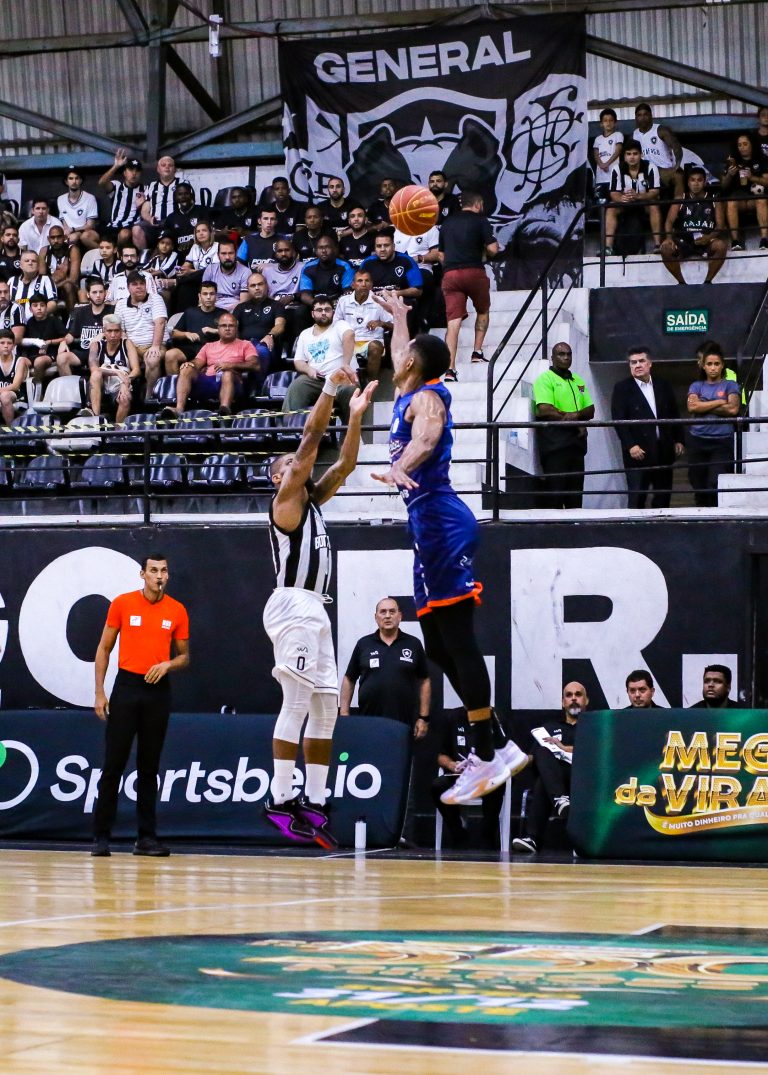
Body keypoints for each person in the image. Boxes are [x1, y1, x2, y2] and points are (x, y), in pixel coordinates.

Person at [370, 291, 528, 804]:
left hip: (441, 522)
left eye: (405, 353)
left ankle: (487, 750)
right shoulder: (410, 384)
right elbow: (403, 355)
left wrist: (400, 466)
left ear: (413, 365)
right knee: (437, 646)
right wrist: (400, 317)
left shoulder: (429, 399)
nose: (399, 357)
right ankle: (496, 741)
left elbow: (428, 436)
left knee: (457, 640)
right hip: (427, 527)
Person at [263, 368, 377, 847]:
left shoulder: (312, 501)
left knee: (326, 706)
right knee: (295, 701)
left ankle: (314, 800)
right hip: (293, 604)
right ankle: (279, 799)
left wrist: (355, 416)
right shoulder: (286, 500)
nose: (299, 465)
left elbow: (345, 464)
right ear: (279, 476)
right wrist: (330, 389)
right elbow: (310, 440)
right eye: (290, 464)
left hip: (315, 607)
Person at [91, 553, 189, 857]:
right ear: (143, 574)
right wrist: (99, 692)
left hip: (157, 691)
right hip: (127, 687)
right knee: (114, 763)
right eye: (153, 570)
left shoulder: (177, 610)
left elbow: (184, 656)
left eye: (164, 571)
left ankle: (146, 838)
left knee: (149, 766)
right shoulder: (123, 603)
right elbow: (104, 648)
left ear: (168, 575)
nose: (159, 576)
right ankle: (101, 837)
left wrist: (168, 664)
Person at [512, 680, 587, 855]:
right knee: (542, 755)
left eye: (578, 695)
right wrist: (517, 759)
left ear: (586, 700)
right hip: (556, 776)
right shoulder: (549, 728)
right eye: (569, 695)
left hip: (583, 776)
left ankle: (534, 837)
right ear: (563, 702)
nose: (573, 699)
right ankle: (559, 799)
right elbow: (535, 758)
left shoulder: (594, 726)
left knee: (544, 782)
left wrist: (565, 748)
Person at [340, 597, 430, 738]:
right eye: (383, 612)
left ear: (400, 616)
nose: (387, 616)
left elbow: (425, 680)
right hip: (368, 722)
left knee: (400, 753)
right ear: (376, 617)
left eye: (392, 611)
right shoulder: (364, 644)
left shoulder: (413, 644)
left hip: (403, 722)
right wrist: (344, 714)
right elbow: (349, 679)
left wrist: (423, 718)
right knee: (369, 752)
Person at [610, 347, 685, 509]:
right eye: (633, 362)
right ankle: (635, 526)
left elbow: (674, 413)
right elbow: (618, 420)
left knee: (663, 496)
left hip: (663, 449)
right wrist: (630, 445)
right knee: (637, 496)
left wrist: (679, 439)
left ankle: (661, 524)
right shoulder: (622, 388)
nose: (637, 365)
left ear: (650, 363)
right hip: (638, 452)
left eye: (641, 361)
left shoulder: (663, 385)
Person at [438, 191, 499, 381]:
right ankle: (477, 352)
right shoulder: (481, 221)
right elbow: (493, 249)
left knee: (453, 321)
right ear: (478, 204)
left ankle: (450, 369)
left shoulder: (447, 223)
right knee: (483, 310)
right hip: (474, 272)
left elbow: (441, 255)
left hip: (451, 275)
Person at [432, 710, 507, 849]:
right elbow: (441, 756)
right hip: (460, 776)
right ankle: (458, 834)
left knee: (498, 785)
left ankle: (488, 837)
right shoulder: (452, 718)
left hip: (488, 775)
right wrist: (451, 764)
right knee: (437, 786)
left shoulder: (496, 717)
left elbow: (507, 753)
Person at [533, 342, 595, 508]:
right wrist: (576, 421)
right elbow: (545, 410)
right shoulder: (545, 379)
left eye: (568, 354)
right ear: (552, 357)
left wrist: (577, 415)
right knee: (555, 497)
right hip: (555, 447)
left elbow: (590, 410)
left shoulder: (578, 380)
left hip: (577, 446)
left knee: (575, 499)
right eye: (561, 354)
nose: (566, 357)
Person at [163, 310, 259, 416]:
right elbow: (197, 362)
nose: (227, 328)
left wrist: (229, 365)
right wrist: (190, 364)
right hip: (209, 381)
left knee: (227, 373)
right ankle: (179, 409)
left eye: (231, 325)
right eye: (224, 325)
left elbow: (255, 365)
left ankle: (224, 410)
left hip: (232, 382)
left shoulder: (246, 344)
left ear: (236, 328)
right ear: (218, 328)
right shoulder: (209, 346)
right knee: (186, 369)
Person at [283, 297, 357, 423]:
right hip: (317, 380)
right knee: (296, 386)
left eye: (327, 310)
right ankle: (289, 428)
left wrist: (345, 364)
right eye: (319, 310)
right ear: (312, 313)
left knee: (350, 391)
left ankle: (350, 430)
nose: (323, 313)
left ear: (333, 312)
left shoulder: (340, 325)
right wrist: (309, 370)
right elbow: (299, 361)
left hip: (341, 379)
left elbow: (349, 335)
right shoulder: (305, 334)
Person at [686, 345, 740, 507]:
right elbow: (692, 407)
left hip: (722, 441)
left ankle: (717, 515)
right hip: (698, 440)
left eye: (716, 364)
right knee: (698, 483)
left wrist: (704, 404)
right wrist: (720, 401)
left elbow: (733, 409)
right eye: (709, 364)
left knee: (714, 483)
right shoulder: (696, 385)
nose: (713, 367)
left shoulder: (731, 385)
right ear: (703, 366)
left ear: (722, 365)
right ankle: (702, 516)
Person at [660, 167, 728, 284]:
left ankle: (707, 281)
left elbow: (720, 225)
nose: (696, 183)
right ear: (688, 183)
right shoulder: (681, 199)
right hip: (683, 240)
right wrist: (669, 238)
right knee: (665, 248)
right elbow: (669, 221)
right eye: (692, 180)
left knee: (721, 246)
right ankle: (681, 283)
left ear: (705, 182)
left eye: (699, 180)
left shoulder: (714, 200)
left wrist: (709, 237)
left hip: (705, 240)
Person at [113, 271, 167, 403]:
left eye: (142, 283)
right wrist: (130, 349)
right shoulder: (121, 304)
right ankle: (123, 397)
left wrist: (155, 346)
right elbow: (121, 331)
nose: (139, 287)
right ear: (128, 287)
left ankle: (149, 396)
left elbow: (160, 323)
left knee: (152, 359)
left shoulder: (156, 299)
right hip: (133, 347)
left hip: (154, 344)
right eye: (135, 284)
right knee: (118, 361)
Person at [332, 268, 392, 384]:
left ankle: (370, 384)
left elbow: (394, 324)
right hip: (349, 342)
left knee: (375, 347)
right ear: (353, 285)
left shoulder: (379, 301)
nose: (363, 284)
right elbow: (335, 325)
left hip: (370, 342)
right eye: (360, 281)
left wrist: (381, 323)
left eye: (367, 281)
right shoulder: (343, 301)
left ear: (371, 284)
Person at [606, 139, 662, 255]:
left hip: (644, 203)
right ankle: (608, 247)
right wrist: (621, 198)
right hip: (625, 204)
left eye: (635, 154)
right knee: (611, 208)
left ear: (641, 154)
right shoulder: (617, 168)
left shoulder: (651, 167)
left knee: (654, 206)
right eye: (629, 154)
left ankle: (657, 244)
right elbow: (613, 193)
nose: (632, 157)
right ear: (624, 156)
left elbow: (655, 191)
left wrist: (638, 196)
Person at [87, 313, 141, 425]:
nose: (113, 335)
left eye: (116, 331)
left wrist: (125, 381)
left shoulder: (127, 344)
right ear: (104, 331)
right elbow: (93, 368)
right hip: (102, 385)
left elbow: (136, 370)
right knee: (96, 374)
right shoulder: (96, 345)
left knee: (125, 398)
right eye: (109, 331)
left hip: (122, 383)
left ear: (121, 331)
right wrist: (116, 372)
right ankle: (95, 419)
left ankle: (117, 430)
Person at [719, 132, 768, 250]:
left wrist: (752, 177)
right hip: (739, 198)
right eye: (739, 145)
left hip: (754, 198)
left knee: (761, 200)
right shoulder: (732, 161)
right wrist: (729, 175)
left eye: (745, 144)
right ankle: (735, 241)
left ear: (752, 144)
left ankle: (764, 240)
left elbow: (766, 182)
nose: (742, 147)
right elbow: (723, 186)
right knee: (731, 203)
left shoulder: (761, 159)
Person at [163, 281, 225, 373]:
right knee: (170, 355)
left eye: (212, 294)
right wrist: (186, 334)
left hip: (212, 350)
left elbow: (233, 334)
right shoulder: (190, 312)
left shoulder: (223, 314)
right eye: (205, 294)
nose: (208, 297)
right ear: (199, 296)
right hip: (190, 348)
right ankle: (175, 381)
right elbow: (174, 333)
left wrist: (215, 330)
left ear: (216, 296)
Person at [57, 276, 113, 376]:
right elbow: (71, 335)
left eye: (101, 292)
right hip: (84, 351)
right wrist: (63, 342)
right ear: (88, 294)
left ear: (105, 293)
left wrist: (103, 334)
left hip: (104, 352)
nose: (98, 295)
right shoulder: (81, 312)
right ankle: (72, 385)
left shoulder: (112, 310)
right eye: (94, 292)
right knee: (61, 359)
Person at [633, 102, 684, 198]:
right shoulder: (634, 135)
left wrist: (676, 166)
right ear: (636, 118)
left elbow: (677, 148)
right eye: (639, 115)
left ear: (651, 115)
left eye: (645, 114)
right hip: (645, 171)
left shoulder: (661, 130)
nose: (642, 118)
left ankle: (678, 204)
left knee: (678, 175)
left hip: (663, 170)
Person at [99, 150, 145, 247]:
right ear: (124, 173)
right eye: (131, 170)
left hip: (130, 227)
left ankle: (117, 254)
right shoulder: (117, 186)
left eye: (137, 171)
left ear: (140, 174)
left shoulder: (145, 189)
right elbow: (102, 183)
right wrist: (116, 166)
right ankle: (106, 252)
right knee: (87, 236)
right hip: (112, 226)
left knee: (124, 234)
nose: (134, 173)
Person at [19, 294, 66, 384]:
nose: (39, 308)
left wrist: (49, 342)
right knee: (20, 362)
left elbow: (66, 338)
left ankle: (37, 389)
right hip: (32, 355)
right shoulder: (29, 322)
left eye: (42, 305)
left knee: (39, 361)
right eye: (35, 306)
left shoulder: (54, 320)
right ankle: (23, 390)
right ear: (30, 309)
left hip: (51, 355)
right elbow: (22, 340)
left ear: (46, 307)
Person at [298, 235, 354, 307]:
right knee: (300, 311)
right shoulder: (308, 267)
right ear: (316, 251)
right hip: (315, 303)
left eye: (327, 247)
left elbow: (347, 292)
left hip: (338, 304)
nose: (324, 251)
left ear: (335, 249)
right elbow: (305, 295)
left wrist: (333, 305)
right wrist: (319, 306)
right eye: (320, 248)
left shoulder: (345, 266)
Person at [39, 224, 81, 311]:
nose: (56, 240)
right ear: (48, 239)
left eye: (59, 237)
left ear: (64, 237)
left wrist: (54, 285)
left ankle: (72, 316)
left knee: (68, 286)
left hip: (70, 287)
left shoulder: (72, 249)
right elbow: (42, 278)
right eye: (53, 238)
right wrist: (54, 283)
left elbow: (73, 279)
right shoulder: (44, 251)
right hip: (50, 286)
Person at [56, 167, 100, 250]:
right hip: (69, 232)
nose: (74, 181)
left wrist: (73, 229)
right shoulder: (60, 199)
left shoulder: (90, 198)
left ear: (81, 180)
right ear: (66, 181)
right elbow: (64, 223)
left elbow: (90, 225)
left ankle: (104, 252)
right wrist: (66, 232)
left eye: (77, 178)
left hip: (86, 231)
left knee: (82, 237)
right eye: (71, 178)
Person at [201, 238, 250, 312]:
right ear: (218, 255)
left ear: (236, 254)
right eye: (223, 253)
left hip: (235, 310)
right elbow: (204, 296)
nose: (227, 257)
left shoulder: (245, 272)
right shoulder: (210, 270)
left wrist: (223, 312)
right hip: (213, 309)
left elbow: (243, 302)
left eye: (230, 253)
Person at [592, 108, 624, 203]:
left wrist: (607, 164)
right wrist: (601, 165)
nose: (608, 123)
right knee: (601, 203)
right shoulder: (598, 139)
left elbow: (618, 151)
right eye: (605, 121)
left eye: (611, 120)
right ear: (601, 123)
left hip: (614, 177)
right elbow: (596, 154)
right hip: (600, 178)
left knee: (614, 202)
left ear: (615, 122)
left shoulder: (618, 135)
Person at [0, 328, 29, 424]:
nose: (6, 346)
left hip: (17, 395)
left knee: (5, 396)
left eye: (9, 343)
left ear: (13, 346)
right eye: (2, 343)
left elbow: (15, 386)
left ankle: (11, 430)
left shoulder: (20, 361)